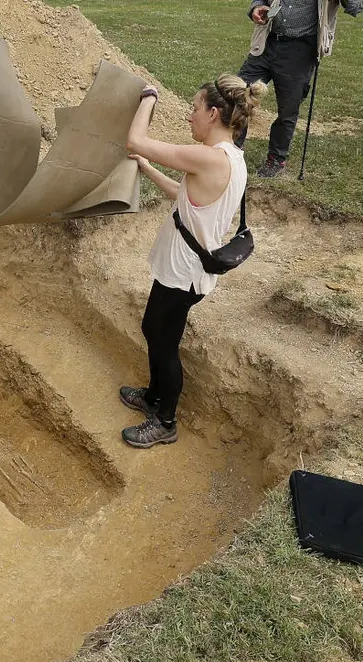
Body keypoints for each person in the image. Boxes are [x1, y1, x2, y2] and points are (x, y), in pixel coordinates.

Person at [121, 74, 264, 448]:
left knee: (164, 341)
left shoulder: (207, 157)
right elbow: (187, 200)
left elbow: (135, 140)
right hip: (183, 268)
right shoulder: (232, 158)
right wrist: (148, 169)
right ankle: (153, 397)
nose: (190, 117)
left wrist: (149, 96)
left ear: (213, 113)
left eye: (194, 109)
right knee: (155, 330)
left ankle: (165, 420)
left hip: (183, 272)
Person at [237, 0, 363, 178]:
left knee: (287, 110)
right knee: (237, 94)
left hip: (300, 50)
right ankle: (232, 149)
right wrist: (255, 9)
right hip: (267, 42)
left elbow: (355, 7)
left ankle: (276, 159)